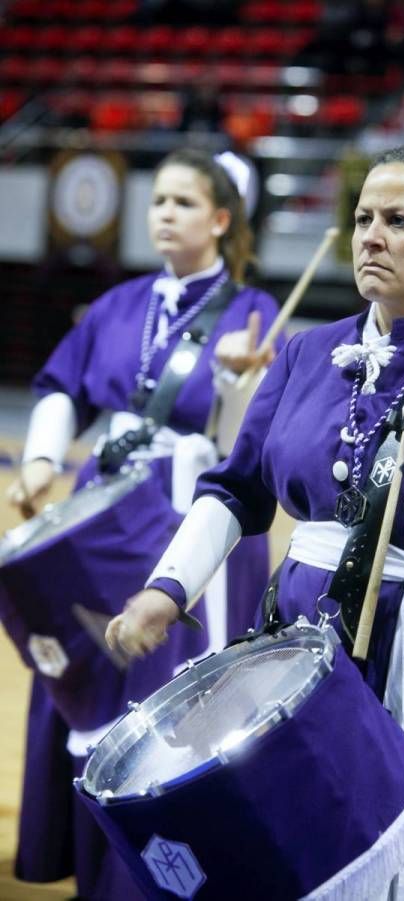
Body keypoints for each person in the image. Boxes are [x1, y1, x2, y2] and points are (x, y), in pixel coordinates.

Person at [107, 142, 404, 900]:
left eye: (399, 220)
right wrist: (166, 589)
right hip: (295, 628)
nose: (370, 235)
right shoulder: (308, 352)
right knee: (288, 838)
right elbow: (236, 488)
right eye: (364, 217)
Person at [5, 148, 282, 900]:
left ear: (222, 221)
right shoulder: (119, 303)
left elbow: (241, 444)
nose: (164, 213)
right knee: (86, 662)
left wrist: (233, 382)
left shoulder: (256, 314)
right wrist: (39, 460)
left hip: (187, 506)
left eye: (185, 203)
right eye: (158, 199)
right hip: (100, 509)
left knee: (169, 680)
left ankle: (155, 865)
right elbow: (64, 382)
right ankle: (75, 845)